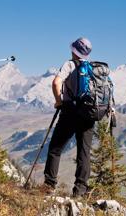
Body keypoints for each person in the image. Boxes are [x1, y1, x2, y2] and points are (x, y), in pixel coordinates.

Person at [43, 37, 95, 198]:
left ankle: (49, 185)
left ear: (74, 50)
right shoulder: (93, 68)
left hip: (70, 111)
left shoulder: (69, 64)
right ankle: (80, 190)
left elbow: (56, 83)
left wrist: (59, 102)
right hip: (88, 114)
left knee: (55, 149)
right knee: (84, 152)